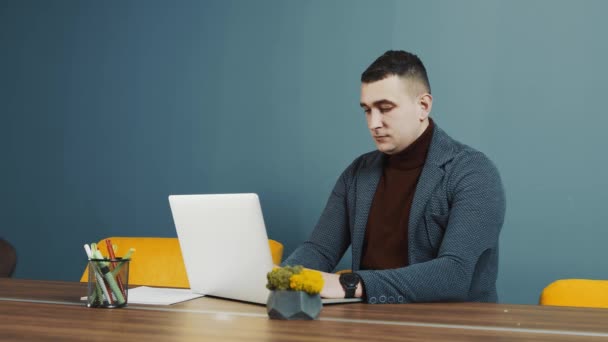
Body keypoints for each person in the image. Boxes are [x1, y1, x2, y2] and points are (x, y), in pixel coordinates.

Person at [282, 50, 506, 304]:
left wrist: (352, 283)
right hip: (370, 323)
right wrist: (281, 280)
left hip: (450, 327)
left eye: (385, 108)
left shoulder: (473, 171)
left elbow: (454, 274)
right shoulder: (358, 172)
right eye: (367, 110)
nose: (373, 123)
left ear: (423, 106)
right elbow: (319, 250)